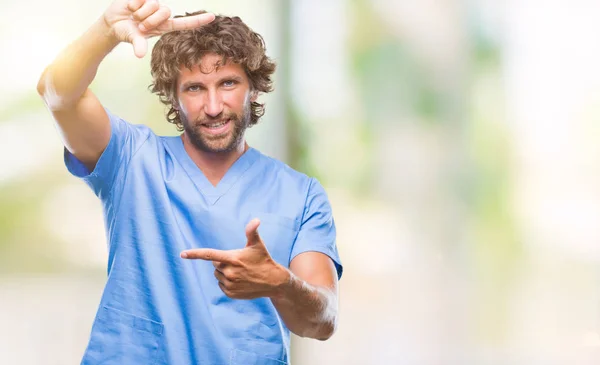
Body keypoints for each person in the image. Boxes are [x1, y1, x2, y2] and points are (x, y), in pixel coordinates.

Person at [36, 0, 342, 364]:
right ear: (173, 96)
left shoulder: (301, 194)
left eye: (228, 83)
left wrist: (281, 283)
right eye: (195, 88)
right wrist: (105, 31)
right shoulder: (131, 159)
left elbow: (322, 321)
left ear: (254, 89)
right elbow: (57, 94)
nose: (213, 106)